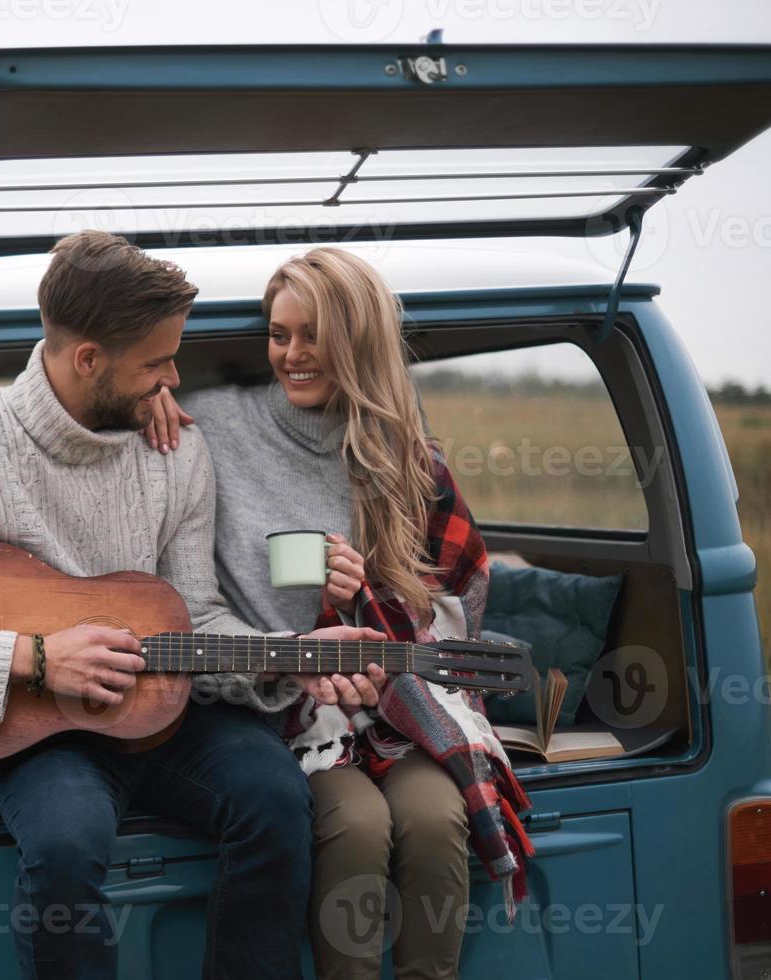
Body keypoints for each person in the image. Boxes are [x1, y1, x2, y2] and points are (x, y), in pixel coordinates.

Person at [0, 230, 384, 980]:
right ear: (88, 359)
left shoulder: (176, 451)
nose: (173, 380)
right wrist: (37, 658)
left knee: (276, 801)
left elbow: (197, 618)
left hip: (166, 718)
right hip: (46, 735)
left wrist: (291, 661)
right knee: (62, 846)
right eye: (154, 362)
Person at [144, 247, 534, 980]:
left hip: (394, 701)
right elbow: (113, 393)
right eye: (277, 334)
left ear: (358, 340)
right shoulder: (213, 428)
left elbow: (452, 608)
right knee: (354, 826)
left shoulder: (405, 459)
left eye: (313, 335)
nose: (292, 354)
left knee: (434, 818)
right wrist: (145, 402)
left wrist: (366, 593)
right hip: (278, 705)